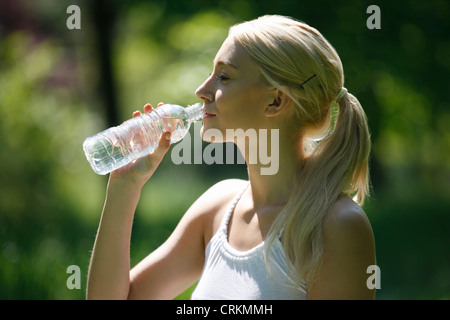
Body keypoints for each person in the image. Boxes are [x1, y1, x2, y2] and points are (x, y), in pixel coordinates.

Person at [86, 14, 376, 300]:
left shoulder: (336, 227)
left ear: (275, 100)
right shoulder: (218, 207)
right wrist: (124, 186)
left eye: (223, 77)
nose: (202, 91)